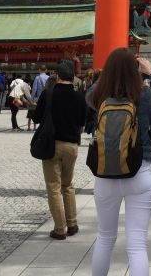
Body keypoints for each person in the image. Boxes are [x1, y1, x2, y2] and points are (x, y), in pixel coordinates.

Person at [88, 50, 151, 276]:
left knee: (105, 238)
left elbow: (86, 94)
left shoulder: (99, 95)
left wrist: (105, 75)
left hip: (105, 173)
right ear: (136, 69)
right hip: (139, 171)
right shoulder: (143, 93)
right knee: (137, 244)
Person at [32, 59, 87, 240]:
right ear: (73, 78)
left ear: (57, 77)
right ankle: (72, 223)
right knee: (68, 185)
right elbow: (82, 122)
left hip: (52, 145)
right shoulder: (80, 96)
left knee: (53, 187)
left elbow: (38, 117)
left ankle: (60, 228)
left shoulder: (48, 94)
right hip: (71, 146)